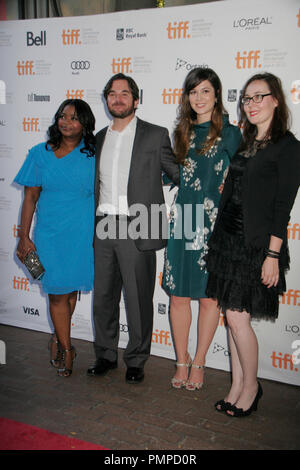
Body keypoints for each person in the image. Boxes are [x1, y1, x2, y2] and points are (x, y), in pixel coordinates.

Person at [205, 72, 300, 417]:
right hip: (228, 239)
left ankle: (252, 387)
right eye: (247, 98)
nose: (252, 104)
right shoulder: (247, 141)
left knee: (237, 316)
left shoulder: (289, 147)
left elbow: (281, 207)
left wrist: (273, 254)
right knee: (231, 317)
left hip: (257, 244)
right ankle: (235, 384)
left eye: (259, 96)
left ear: (276, 99)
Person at [87, 73, 180, 384]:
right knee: (103, 297)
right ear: (106, 100)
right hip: (104, 225)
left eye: (124, 93)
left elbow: (176, 173)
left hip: (139, 222)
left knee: (139, 299)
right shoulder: (99, 138)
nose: (118, 98)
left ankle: (137, 360)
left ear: (136, 100)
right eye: (112, 93)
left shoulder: (156, 134)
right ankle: (105, 355)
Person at [162, 67, 242, 390]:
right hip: (185, 219)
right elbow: (172, 176)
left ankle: (200, 362)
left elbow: (241, 178)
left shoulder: (233, 134)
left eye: (205, 91)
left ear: (217, 95)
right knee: (179, 297)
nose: (199, 98)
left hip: (215, 224)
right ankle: (181, 361)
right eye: (193, 92)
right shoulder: (180, 132)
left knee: (209, 298)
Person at [14, 99, 96, 377]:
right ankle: (68, 348)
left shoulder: (94, 155)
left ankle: (57, 340)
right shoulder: (39, 153)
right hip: (50, 235)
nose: (66, 121)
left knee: (71, 292)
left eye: (74, 118)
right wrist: (23, 237)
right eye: (62, 116)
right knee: (58, 293)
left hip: (82, 235)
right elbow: (30, 199)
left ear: (84, 124)